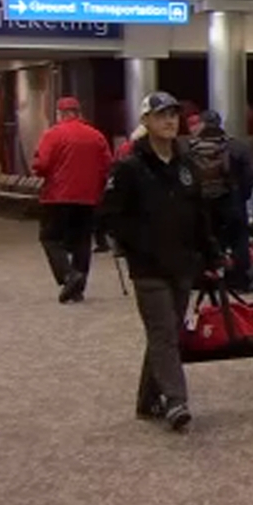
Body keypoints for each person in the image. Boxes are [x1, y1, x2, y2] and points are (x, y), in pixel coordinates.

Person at [100, 92, 219, 433]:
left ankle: (147, 398)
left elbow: (200, 215)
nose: (170, 121)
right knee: (163, 331)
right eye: (162, 115)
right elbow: (110, 215)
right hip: (148, 266)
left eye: (174, 115)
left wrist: (211, 254)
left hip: (182, 263)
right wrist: (135, 244)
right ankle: (176, 400)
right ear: (146, 122)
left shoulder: (186, 165)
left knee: (169, 331)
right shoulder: (129, 167)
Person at [31, 97, 113, 303]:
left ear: (60, 113)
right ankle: (78, 288)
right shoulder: (97, 136)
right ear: (79, 112)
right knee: (82, 242)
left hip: (57, 196)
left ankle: (68, 275)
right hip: (88, 198)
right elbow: (108, 165)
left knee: (50, 238)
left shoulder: (53, 134)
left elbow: (41, 165)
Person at [185, 110, 253, 292]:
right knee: (238, 241)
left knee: (203, 239)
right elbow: (250, 175)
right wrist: (242, 196)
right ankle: (239, 280)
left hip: (202, 205)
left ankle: (203, 279)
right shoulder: (237, 146)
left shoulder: (189, 147)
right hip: (231, 201)